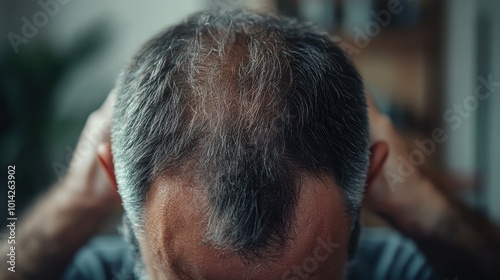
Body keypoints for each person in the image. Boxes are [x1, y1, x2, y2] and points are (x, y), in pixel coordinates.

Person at [1, 10, 499, 280]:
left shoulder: (400, 269)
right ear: (112, 180)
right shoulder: (82, 272)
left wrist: (422, 206)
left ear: (369, 177)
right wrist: (70, 207)